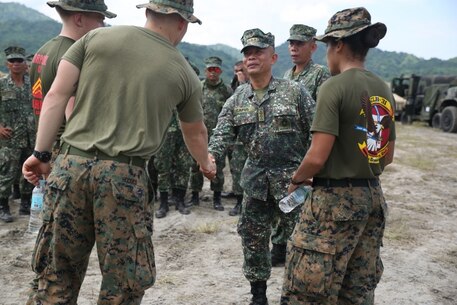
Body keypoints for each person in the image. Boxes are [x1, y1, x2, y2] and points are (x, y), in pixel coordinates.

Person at [22, 1, 215, 304]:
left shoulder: (94, 39)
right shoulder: (184, 72)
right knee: (122, 283)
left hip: (71, 166)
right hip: (124, 178)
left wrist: (41, 154)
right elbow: (195, 131)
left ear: (148, 12)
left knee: (55, 276)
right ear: (182, 23)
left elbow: (57, 96)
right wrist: (206, 163)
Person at [280, 7, 396, 305]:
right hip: (372, 199)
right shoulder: (382, 88)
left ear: (338, 45)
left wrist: (297, 180)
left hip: (334, 204)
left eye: (327, 46)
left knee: (309, 289)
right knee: (356, 288)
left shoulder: (333, 87)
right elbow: (387, 156)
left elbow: (317, 156)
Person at [208, 28, 315, 305]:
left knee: (301, 240)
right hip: (254, 184)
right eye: (247, 53)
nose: (252, 57)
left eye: (258, 51)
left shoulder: (295, 92)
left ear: (273, 57)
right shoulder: (237, 99)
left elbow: (318, 132)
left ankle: (294, 294)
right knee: (253, 240)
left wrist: (312, 173)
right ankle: (258, 295)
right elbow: (221, 136)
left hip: (293, 185)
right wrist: (210, 159)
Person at [269, 23, 332, 267]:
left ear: (313, 47)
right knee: (283, 198)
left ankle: (302, 247)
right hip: (285, 148)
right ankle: (279, 246)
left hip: (308, 149)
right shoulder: (286, 75)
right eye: (291, 43)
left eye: (299, 44)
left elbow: (323, 115)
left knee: (305, 200)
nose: (294, 48)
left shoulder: (321, 75)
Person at [29, 0, 116, 157]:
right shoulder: (75, 58)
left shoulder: (43, 51)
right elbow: (75, 117)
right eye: (99, 19)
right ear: (79, 19)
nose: (103, 25)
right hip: (67, 150)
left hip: (44, 146)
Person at [188, 56, 232, 211]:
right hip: (199, 134)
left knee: (218, 166)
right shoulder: (198, 88)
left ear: (220, 71)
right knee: (196, 165)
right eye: (210, 69)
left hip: (218, 135)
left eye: (216, 69)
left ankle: (217, 198)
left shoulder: (226, 90)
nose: (213, 73)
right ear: (205, 70)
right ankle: (195, 195)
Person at [0, 46, 35, 222]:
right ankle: (3, 207)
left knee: (29, 171)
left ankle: (25, 204)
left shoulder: (33, 84)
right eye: (12, 61)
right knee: (6, 172)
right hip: (10, 137)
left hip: (31, 136)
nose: (16, 64)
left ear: (24, 63)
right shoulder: (2, 84)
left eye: (19, 60)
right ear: (7, 64)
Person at [224, 60, 249, 216]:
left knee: (248, 170)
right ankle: (238, 199)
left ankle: (244, 202)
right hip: (236, 137)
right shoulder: (233, 86)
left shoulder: (250, 85)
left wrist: (241, 83)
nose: (238, 73)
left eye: (241, 70)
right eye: (235, 71)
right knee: (236, 169)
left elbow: (244, 103)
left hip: (248, 137)